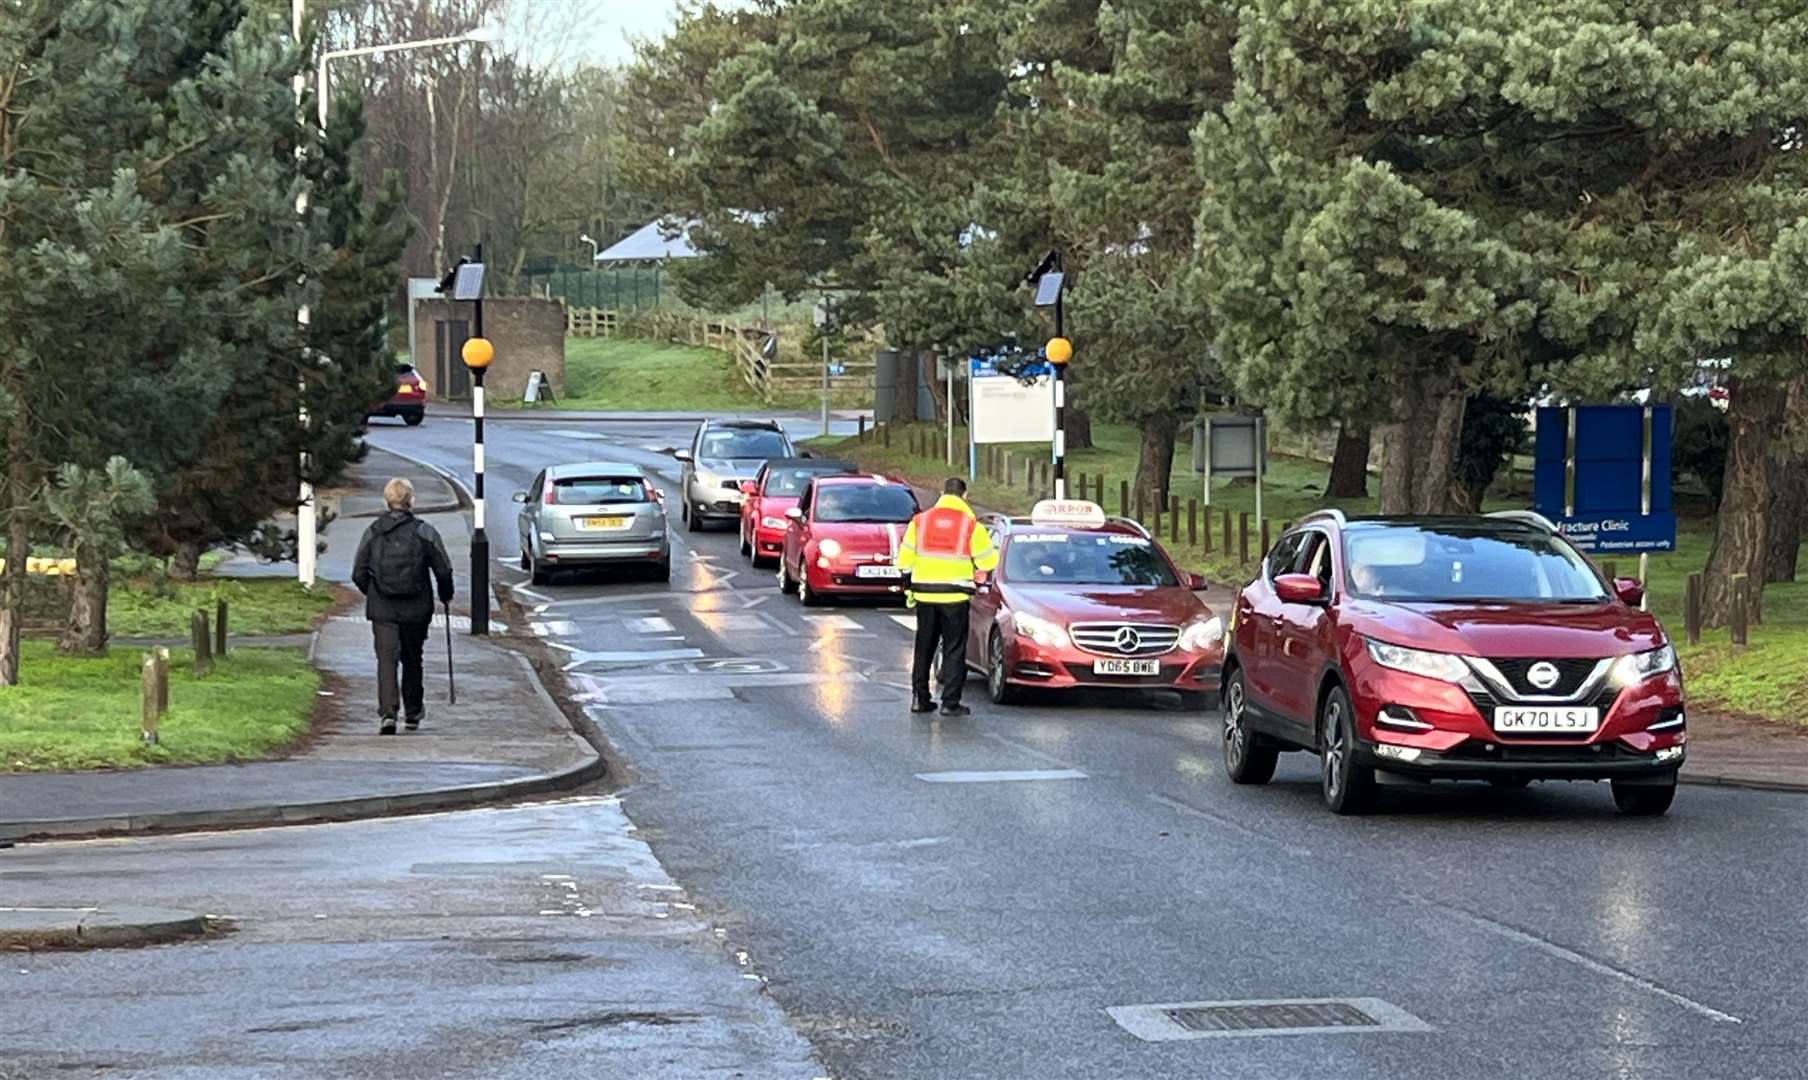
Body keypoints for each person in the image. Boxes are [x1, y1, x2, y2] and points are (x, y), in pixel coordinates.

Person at [352, 478, 455, 735]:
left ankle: (388, 713)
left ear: (386, 501)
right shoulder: (424, 532)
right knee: (412, 658)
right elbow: (443, 569)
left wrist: (373, 592)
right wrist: (446, 595)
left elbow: (358, 572)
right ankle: (412, 712)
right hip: (416, 606)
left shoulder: (373, 531)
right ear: (412, 501)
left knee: (386, 660)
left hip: (383, 608)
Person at [897, 477, 997, 717]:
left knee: (924, 646)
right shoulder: (970, 524)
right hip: (954, 596)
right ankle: (950, 703)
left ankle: (919, 699)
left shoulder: (920, 521)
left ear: (942, 493)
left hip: (924, 594)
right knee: (954, 648)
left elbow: (905, 558)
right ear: (964, 496)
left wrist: (908, 585)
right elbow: (988, 560)